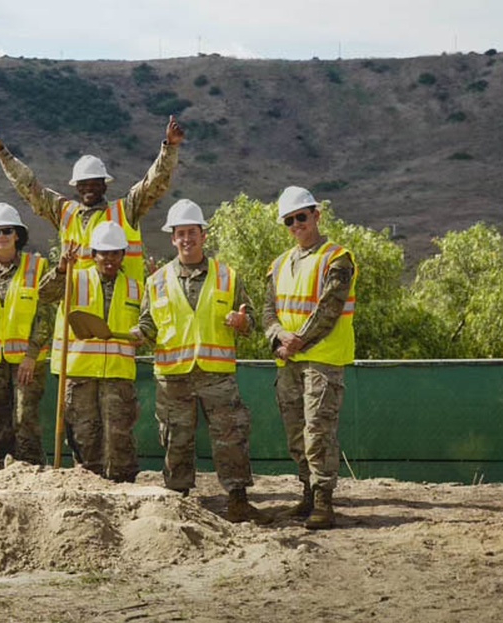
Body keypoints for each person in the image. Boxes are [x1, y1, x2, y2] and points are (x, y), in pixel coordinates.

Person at [133, 199, 268, 523]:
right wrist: (137, 333)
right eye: (180, 233)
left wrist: (242, 322)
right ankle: (177, 500)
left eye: (191, 232)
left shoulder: (228, 277)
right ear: (172, 238)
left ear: (203, 235)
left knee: (231, 436)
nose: (186, 239)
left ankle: (237, 500)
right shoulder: (157, 281)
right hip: (173, 376)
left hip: (217, 375)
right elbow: (149, 324)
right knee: (175, 438)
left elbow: (251, 321)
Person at [0, 116, 185, 282]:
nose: (89, 188)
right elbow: (29, 187)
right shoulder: (64, 212)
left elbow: (153, 183)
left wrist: (170, 148)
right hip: (76, 314)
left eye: (95, 183)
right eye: (84, 184)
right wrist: (2, 153)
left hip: (120, 312)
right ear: (76, 187)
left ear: (105, 185)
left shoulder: (126, 210)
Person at [262, 186, 357, 530]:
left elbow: (329, 309)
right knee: (296, 433)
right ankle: (307, 493)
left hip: (323, 359)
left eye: (301, 217)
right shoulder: (278, 264)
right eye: (289, 221)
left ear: (316, 215)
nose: (296, 225)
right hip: (289, 361)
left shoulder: (338, 258)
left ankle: (323, 501)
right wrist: (278, 337)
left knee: (318, 430)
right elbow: (267, 310)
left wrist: (296, 341)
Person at [39, 222, 142, 482]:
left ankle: (122, 487)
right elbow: (44, 294)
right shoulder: (74, 277)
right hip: (79, 373)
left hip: (118, 376)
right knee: (84, 437)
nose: (109, 259)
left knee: (119, 436)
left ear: (122, 255)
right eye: (104, 253)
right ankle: (88, 485)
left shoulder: (135, 288)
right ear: (94, 254)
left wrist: (143, 333)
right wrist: (61, 269)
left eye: (115, 253)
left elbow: (150, 322)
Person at [0, 203, 54, 466]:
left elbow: (44, 315)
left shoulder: (37, 267)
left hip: (25, 363)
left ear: (18, 234)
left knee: (24, 420)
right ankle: (3, 474)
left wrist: (31, 355)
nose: (1, 236)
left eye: (7, 231)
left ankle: (31, 471)